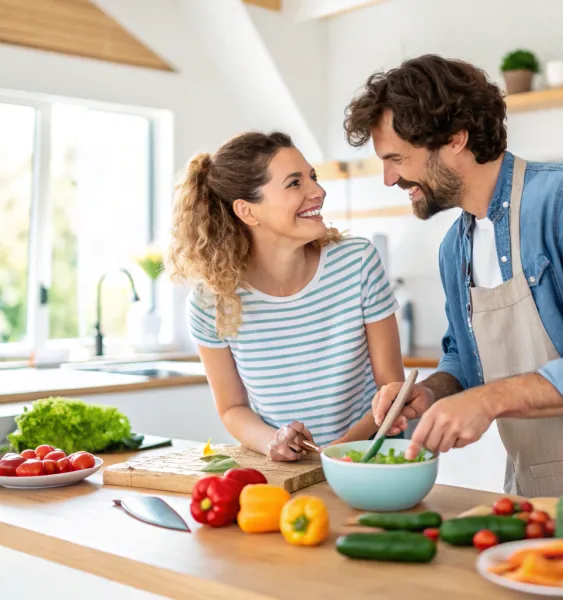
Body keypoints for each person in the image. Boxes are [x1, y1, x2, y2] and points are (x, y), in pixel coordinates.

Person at [343, 54, 563, 509]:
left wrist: (489, 401)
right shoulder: (454, 248)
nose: (389, 178)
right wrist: (429, 393)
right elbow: (466, 358)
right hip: (534, 491)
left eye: (397, 158)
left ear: (455, 138)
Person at [168, 131, 404, 461]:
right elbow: (233, 408)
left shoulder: (357, 263)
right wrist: (273, 441)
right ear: (247, 211)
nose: (318, 192)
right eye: (295, 183)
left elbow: (392, 389)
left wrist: (341, 451)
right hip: (284, 469)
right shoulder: (212, 301)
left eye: (313, 177)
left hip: (371, 457)